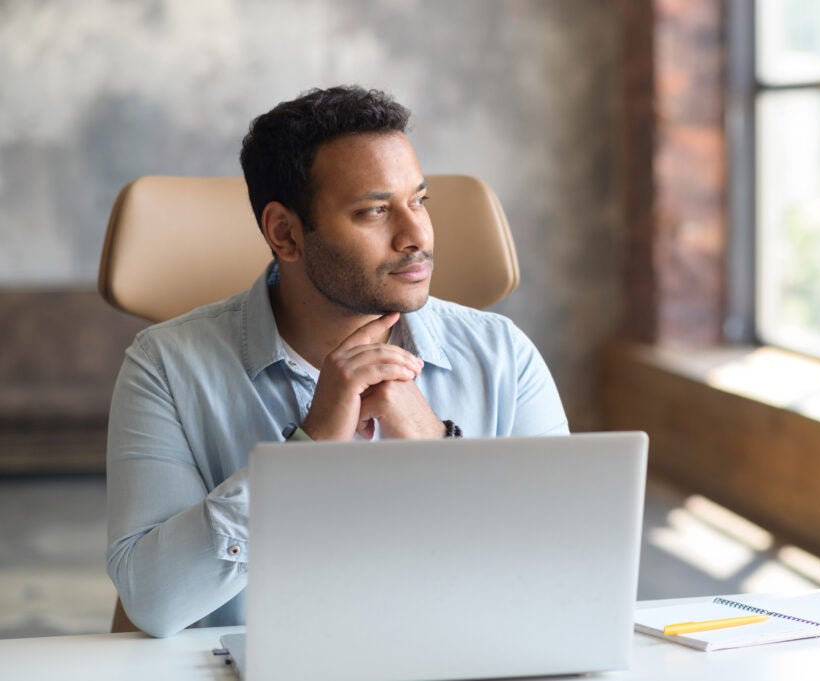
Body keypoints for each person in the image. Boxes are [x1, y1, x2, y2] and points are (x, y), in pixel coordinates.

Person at [105, 85, 569, 637]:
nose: (417, 235)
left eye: (419, 200)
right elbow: (154, 603)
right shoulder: (165, 367)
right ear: (286, 233)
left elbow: (565, 583)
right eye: (374, 211)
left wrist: (434, 447)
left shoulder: (503, 355)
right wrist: (306, 455)